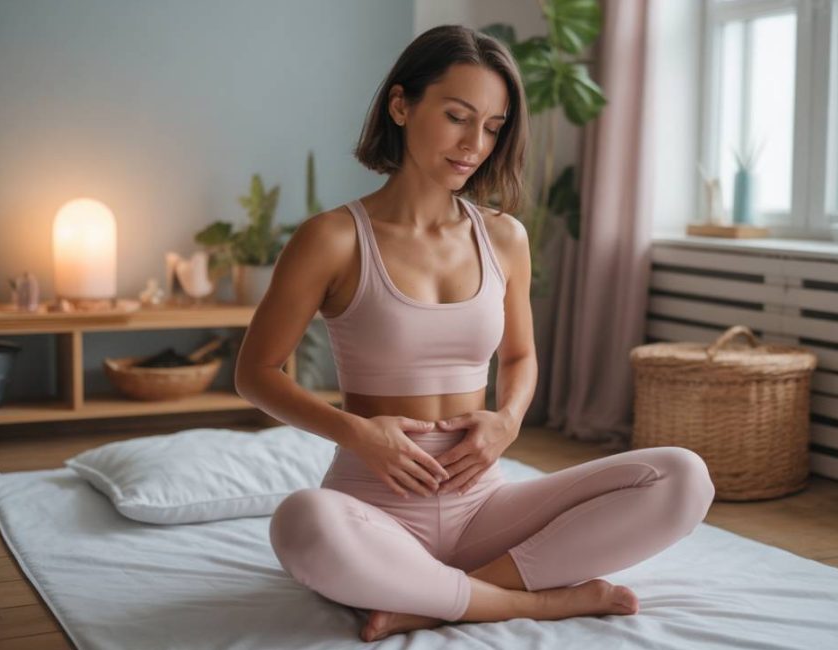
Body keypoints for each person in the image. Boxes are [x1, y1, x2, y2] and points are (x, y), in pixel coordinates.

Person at [235, 24, 715, 643]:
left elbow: (520, 357)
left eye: (492, 127)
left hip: (486, 506)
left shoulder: (504, 238)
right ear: (401, 105)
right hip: (375, 504)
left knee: (682, 476)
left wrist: (508, 420)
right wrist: (358, 433)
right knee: (301, 522)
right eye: (458, 116)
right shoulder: (331, 238)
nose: (474, 144)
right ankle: (537, 602)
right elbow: (256, 374)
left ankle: (445, 598)